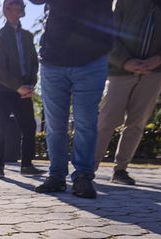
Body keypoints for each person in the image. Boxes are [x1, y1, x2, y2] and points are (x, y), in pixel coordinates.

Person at [94, 0, 161, 186]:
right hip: (120, 69)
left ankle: (121, 169)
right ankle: (88, 167)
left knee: (137, 121)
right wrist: (123, 60)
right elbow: (107, 32)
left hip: (158, 69)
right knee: (106, 120)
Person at [30, 0, 114, 199]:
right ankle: (57, 175)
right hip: (53, 58)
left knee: (86, 121)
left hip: (92, 58)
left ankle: (83, 176)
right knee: (54, 124)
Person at [0, 0, 42, 178]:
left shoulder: (28, 36)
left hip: (25, 90)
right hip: (4, 90)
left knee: (29, 127)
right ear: (7, 9)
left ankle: (27, 165)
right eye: (17, 4)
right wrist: (17, 87)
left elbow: (34, 63)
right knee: (1, 129)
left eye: (22, 4)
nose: (22, 7)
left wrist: (30, 84)